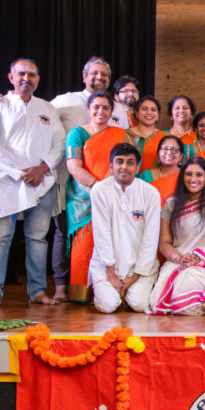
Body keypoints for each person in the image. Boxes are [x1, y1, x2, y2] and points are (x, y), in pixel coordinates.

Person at [0, 58, 65, 308]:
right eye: (22, 74)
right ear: (11, 78)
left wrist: (42, 168)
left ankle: (37, 292)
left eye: (32, 74)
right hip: (5, 182)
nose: (26, 78)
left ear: (38, 79)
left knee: (37, 239)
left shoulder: (47, 108)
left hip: (42, 182)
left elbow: (60, 143)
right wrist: (20, 173)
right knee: (0, 237)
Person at [64, 91, 131, 303]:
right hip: (84, 198)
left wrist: (110, 188)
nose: (100, 111)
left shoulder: (120, 134)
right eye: (96, 107)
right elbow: (73, 166)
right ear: (89, 109)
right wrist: (97, 187)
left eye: (105, 107)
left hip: (115, 195)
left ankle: (109, 290)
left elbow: (124, 164)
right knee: (84, 245)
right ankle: (81, 293)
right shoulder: (77, 133)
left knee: (113, 243)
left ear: (111, 111)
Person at [149, 158, 205, 315]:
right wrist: (180, 258)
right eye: (188, 174)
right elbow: (164, 243)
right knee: (156, 303)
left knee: (182, 301)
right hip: (177, 260)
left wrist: (199, 258)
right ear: (182, 177)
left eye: (199, 175)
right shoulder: (172, 204)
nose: (193, 179)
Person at [89, 143, 160, 313]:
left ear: (137, 167)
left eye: (130, 162)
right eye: (119, 162)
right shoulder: (99, 190)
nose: (124, 167)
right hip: (106, 266)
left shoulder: (150, 193)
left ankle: (127, 293)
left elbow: (151, 238)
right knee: (108, 306)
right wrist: (111, 275)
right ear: (111, 166)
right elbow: (101, 233)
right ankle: (112, 293)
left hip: (140, 268)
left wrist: (134, 277)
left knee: (139, 304)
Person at [139, 135, 183, 204]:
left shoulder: (186, 176)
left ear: (180, 156)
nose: (169, 152)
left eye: (174, 149)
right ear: (158, 153)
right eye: (165, 149)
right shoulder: (145, 176)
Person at [126, 96, 166, 172]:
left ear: (158, 115)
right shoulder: (125, 134)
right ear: (136, 113)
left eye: (153, 110)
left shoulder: (166, 137)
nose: (149, 112)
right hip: (129, 181)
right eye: (144, 109)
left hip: (156, 181)